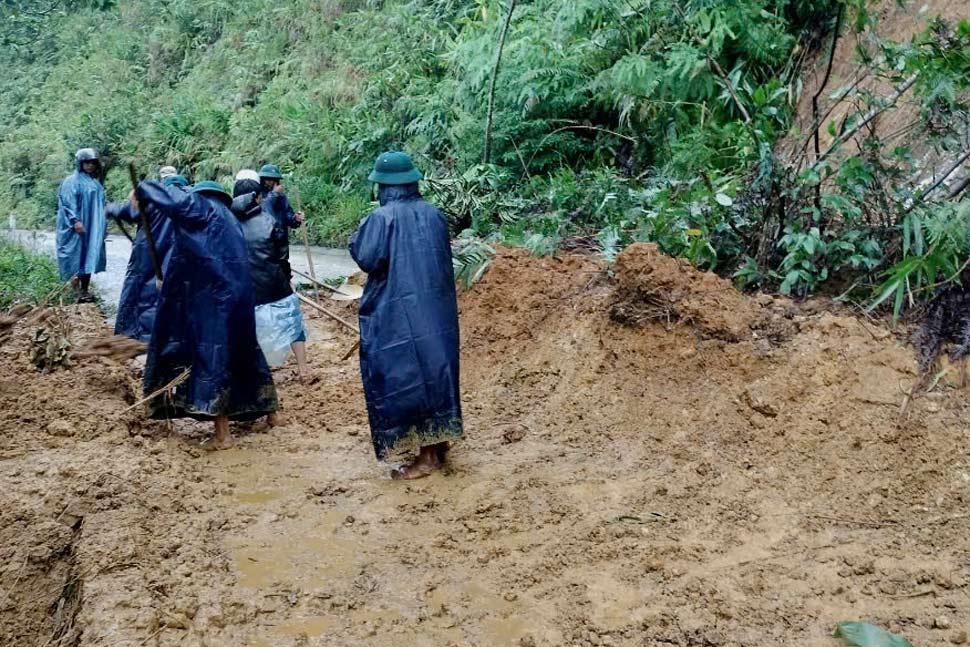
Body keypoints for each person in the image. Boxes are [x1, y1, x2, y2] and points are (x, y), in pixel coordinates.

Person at [132, 179, 280, 450]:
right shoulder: (228, 218)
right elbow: (194, 260)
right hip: (237, 299)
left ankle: (223, 436)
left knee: (214, 360)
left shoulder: (201, 208)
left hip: (216, 304)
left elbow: (177, 201)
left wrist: (144, 188)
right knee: (246, 355)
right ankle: (271, 415)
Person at [349, 151, 463, 479]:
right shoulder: (434, 215)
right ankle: (438, 442)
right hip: (437, 312)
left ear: (382, 185)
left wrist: (354, 241)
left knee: (407, 378)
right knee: (436, 372)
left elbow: (368, 259)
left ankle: (427, 458)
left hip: (397, 312)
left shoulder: (381, 218)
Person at [231, 171, 309, 381]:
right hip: (274, 286)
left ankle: (257, 375)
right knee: (293, 322)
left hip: (244, 291)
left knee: (246, 333)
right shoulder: (269, 221)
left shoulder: (227, 225)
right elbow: (281, 258)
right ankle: (303, 370)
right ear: (257, 196)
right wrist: (288, 282)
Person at [107, 169, 187, 342]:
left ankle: (139, 338)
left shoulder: (154, 197)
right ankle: (168, 340)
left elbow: (131, 212)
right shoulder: (190, 199)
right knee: (171, 296)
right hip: (177, 257)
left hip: (149, 254)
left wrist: (112, 208)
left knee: (145, 294)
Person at [56, 148, 107, 302]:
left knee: (90, 255)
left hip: (92, 227)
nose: (90, 165)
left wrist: (103, 226)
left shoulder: (95, 183)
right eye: (86, 162)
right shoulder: (71, 181)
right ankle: (75, 292)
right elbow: (67, 203)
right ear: (80, 163)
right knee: (74, 255)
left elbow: (101, 206)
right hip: (76, 227)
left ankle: (85, 291)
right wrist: (75, 221)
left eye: (92, 162)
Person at [257, 164, 304, 244]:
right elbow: (263, 210)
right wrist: (274, 194)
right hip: (264, 242)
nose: (270, 182)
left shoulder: (281, 197)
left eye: (273, 180)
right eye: (267, 179)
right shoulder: (258, 196)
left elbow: (288, 216)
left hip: (280, 242)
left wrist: (296, 219)